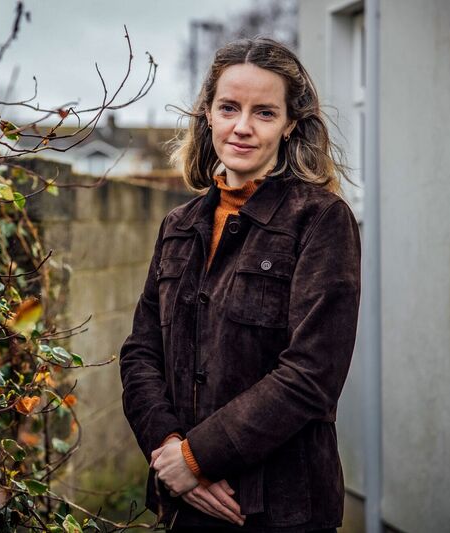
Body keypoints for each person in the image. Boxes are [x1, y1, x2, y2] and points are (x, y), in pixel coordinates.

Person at [119, 37, 361, 532]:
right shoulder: (179, 225)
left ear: (291, 123)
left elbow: (311, 376)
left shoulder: (321, 221)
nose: (242, 127)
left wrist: (197, 459)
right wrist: (168, 449)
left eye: (265, 113)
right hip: (188, 506)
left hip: (281, 509)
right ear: (208, 113)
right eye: (229, 107)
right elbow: (141, 352)